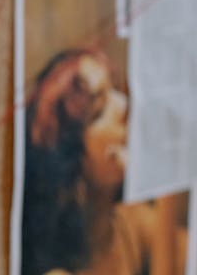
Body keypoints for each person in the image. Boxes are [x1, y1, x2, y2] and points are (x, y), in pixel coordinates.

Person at [22, 48, 188, 275]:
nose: (123, 107)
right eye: (99, 111)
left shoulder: (126, 224)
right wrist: (167, 193)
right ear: (72, 166)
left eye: (115, 91)